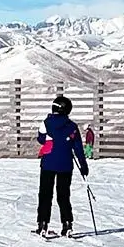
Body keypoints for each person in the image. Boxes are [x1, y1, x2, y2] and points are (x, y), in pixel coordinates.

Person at [35, 94, 90, 236]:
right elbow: (78, 148)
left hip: (48, 163)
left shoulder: (46, 123)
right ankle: (67, 224)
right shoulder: (72, 126)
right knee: (63, 195)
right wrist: (83, 166)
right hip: (66, 164)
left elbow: (41, 139)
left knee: (45, 194)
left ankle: (43, 224)